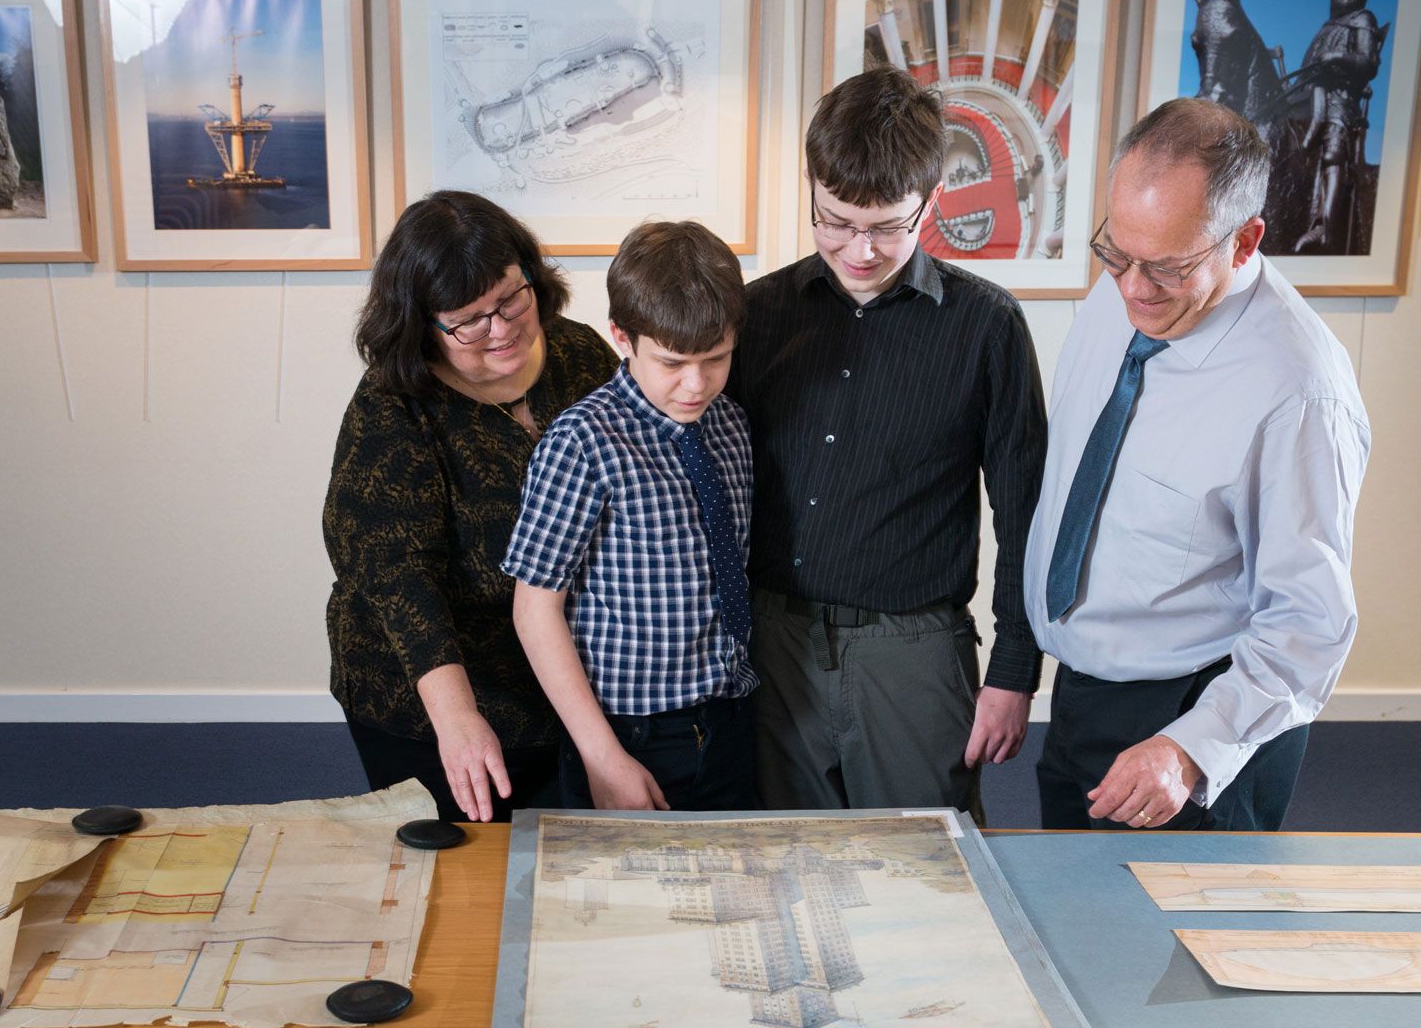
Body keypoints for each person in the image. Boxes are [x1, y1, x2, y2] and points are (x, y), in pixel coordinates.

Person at [1023, 98, 1369, 832]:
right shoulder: (1128, 288)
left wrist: (1190, 749)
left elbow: (1310, 624)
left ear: (1244, 242)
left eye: (1167, 267)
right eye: (1115, 253)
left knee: (1173, 940)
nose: (1132, 289)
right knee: (1072, 920)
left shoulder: (1298, 390)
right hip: (1085, 693)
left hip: (1198, 722)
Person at [728, 68, 1046, 819]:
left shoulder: (988, 327)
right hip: (773, 644)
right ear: (813, 189)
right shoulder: (756, 314)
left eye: (887, 226)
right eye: (835, 220)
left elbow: (1026, 511)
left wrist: (1014, 671)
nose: (860, 250)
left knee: (933, 876)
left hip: (915, 649)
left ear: (931, 202)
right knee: (786, 870)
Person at [324, 191, 619, 822]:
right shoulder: (393, 404)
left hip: (563, 673)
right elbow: (395, 575)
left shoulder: (581, 354)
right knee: (462, 866)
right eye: (469, 320)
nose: (502, 328)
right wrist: (456, 717)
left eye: (512, 297)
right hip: (434, 684)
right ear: (421, 321)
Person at [505, 220, 757, 811]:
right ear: (621, 336)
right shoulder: (583, 441)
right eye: (671, 363)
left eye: (716, 359)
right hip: (629, 733)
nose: (696, 385)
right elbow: (535, 608)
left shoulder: (731, 425)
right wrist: (603, 756)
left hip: (729, 715)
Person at [1285, 0, 1386, 256]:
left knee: (1332, 149)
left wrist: (1339, 56)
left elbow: (1368, 63)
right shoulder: (1326, 27)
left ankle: (1324, 226)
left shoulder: (1363, 19)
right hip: (1309, 99)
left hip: (1340, 100)